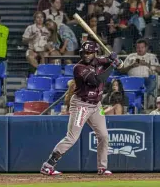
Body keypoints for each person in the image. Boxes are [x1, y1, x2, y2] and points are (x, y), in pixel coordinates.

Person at [40, 40, 123, 176]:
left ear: (94, 53)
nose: (86, 55)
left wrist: (115, 59)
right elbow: (96, 81)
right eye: (85, 53)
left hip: (96, 105)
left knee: (103, 136)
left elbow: (118, 64)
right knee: (72, 137)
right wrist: (112, 65)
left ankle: (102, 167)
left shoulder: (98, 61)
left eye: (90, 53)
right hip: (81, 105)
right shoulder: (79, 68)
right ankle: (48, 165)